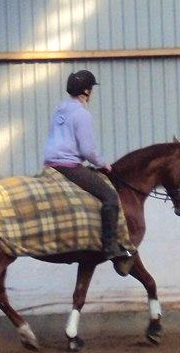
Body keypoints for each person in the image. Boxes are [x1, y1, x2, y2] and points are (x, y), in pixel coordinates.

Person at [44, 70, 133, 264]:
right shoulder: (82, 114)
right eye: (91, 89)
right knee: (110, 196)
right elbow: (87, 151)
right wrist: (103, 163)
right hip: (69, 166)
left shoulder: (61, 109)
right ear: (87, 91)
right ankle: (110, 247)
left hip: (50, 164)